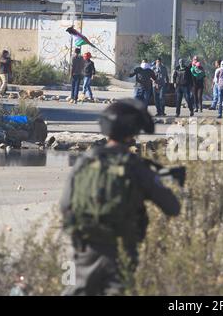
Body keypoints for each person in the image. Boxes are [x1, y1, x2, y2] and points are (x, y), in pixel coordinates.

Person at [60, 98, 181, 295]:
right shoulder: (136, 167)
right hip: (121, 252)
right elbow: (172, 207)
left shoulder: (85, 161)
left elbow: (65, 205)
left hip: (82, 250)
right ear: (132, 133)